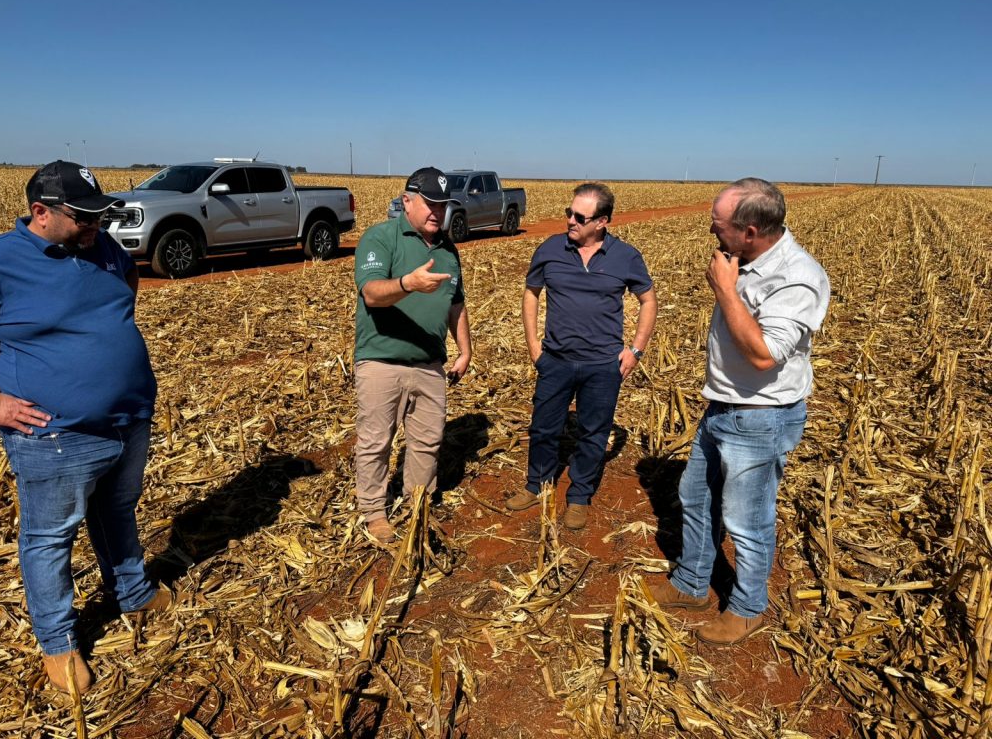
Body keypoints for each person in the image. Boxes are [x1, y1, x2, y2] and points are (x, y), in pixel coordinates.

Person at [0, 161, 169, 694]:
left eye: (100, 216)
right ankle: (57, 642)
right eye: (83, 218)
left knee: (117, 511)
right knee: (51, 537)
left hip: (129, 417)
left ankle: (132, 591)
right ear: (41, 213)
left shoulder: (99, 246)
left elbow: (125, 275)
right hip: (57, 435)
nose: (95, 227)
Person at [650, 178, 830, 645]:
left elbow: (765, 355)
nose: (712, 232)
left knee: (746, 519)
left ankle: (748, 607)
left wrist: (725, 291)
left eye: (718, 225)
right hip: (723, 407)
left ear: (750, 231)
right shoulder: (745, 260)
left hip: (760, 416)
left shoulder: (797, 276)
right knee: (696, 496)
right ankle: (692, 583)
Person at [507, 182, 657, 530]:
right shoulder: (549, 250)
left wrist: (635, 350)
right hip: (555, 360)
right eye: (568, 213)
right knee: (544, 427)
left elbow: (649, 301)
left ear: (602, 221)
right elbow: (531, 295)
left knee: (593, 432)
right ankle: (538, 484)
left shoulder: (626, 256)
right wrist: (534, 349)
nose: (570, 220)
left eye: (579, 216)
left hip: (603, 365)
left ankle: (578, 496)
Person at [353, 167, 472, 543]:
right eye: (430, 204)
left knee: (427, 441)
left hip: (430, 363)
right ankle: (374, 512)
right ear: (407, 201)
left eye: (443, 205)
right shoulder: (381, 238)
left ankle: (416, 504)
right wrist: (409, 283)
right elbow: (372, 293)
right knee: (376, 441)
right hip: (381, 360)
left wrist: (465, 349)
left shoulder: (448, 251)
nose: (437, 212)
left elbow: (456, 304)